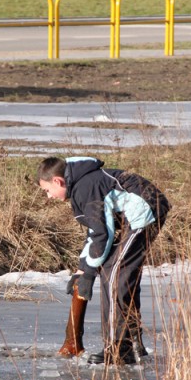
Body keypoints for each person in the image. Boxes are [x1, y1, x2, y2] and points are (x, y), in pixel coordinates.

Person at [37, 156, 170, 365]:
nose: (49, 196)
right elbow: (94, 232)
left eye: (47, 190)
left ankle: (118, 347)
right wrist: (83, 270)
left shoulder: (85, 188)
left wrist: (90, 272)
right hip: (139, 212)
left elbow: (102, 234)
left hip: (144, 211)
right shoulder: (83, 185)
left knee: (115, 275)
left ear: (57, 181)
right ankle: (133, 344)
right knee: (117, 274)